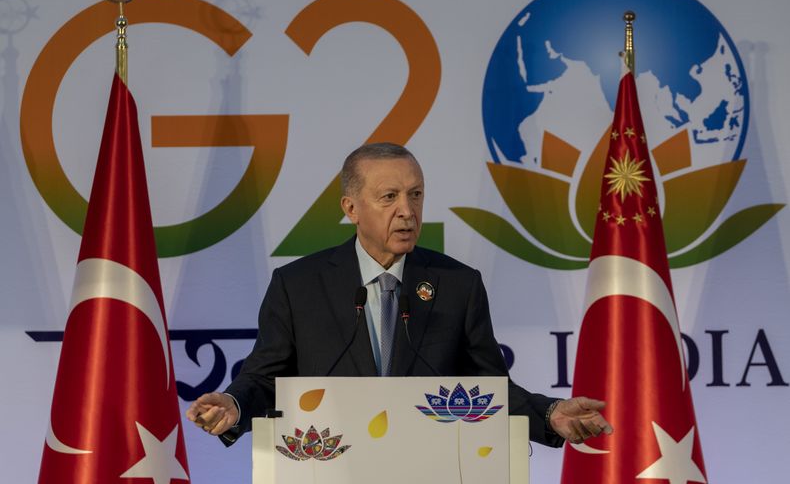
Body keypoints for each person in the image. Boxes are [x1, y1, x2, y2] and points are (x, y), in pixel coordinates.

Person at [187, 142, 613, 447]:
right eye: (389, 197)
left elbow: (489, 388)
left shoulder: (457, 284)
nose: (407, 211)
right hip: (331, 469)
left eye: (415, 194)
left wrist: (549, 413)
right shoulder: (299, 285)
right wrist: (233, 405)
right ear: (351, 208)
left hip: (431, 469)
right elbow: (265, 378)